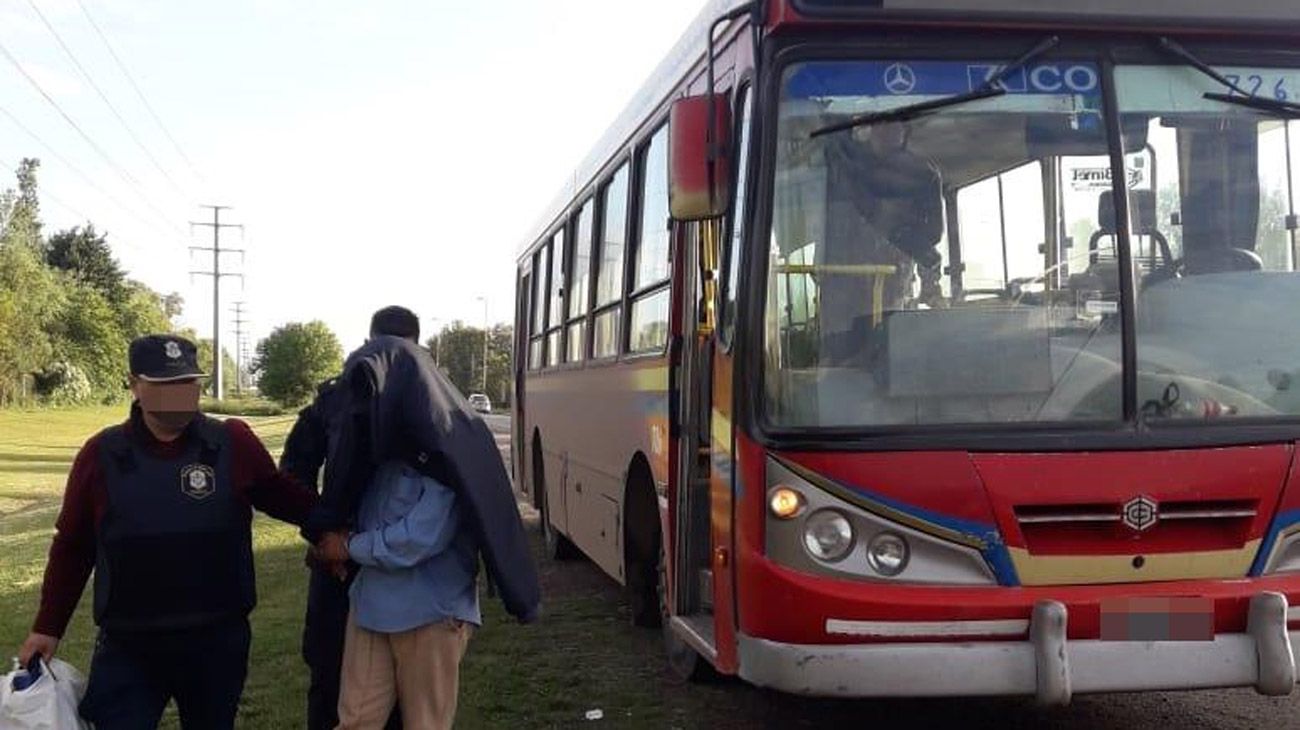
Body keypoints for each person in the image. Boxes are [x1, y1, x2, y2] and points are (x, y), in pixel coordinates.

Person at [15, 334, 320, 730]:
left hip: (215, 641)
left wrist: (334, 528)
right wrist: (47, 627)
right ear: (135, 384)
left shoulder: (231, 442)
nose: (177, 395)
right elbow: (73, 546)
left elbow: (286, 499)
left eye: (186, 383)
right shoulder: (102, 455)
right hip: (131, 645)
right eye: (163, 385)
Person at [304, 319, 540, 729]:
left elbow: (419, 537)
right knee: (355, 722)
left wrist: (349, 548)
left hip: (430, 611)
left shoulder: (449, 442)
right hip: (370, 605)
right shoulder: (374, 442)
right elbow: (346, 496)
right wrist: (331, 536)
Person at [281, 305, 421, 730]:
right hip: (376, 561)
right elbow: (294, 474)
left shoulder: (342, 396)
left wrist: (324, 532)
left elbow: (292, 473)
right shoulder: (343, 398)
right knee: (340, 672)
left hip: (375, 560)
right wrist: (325, 534)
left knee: (344, 678)